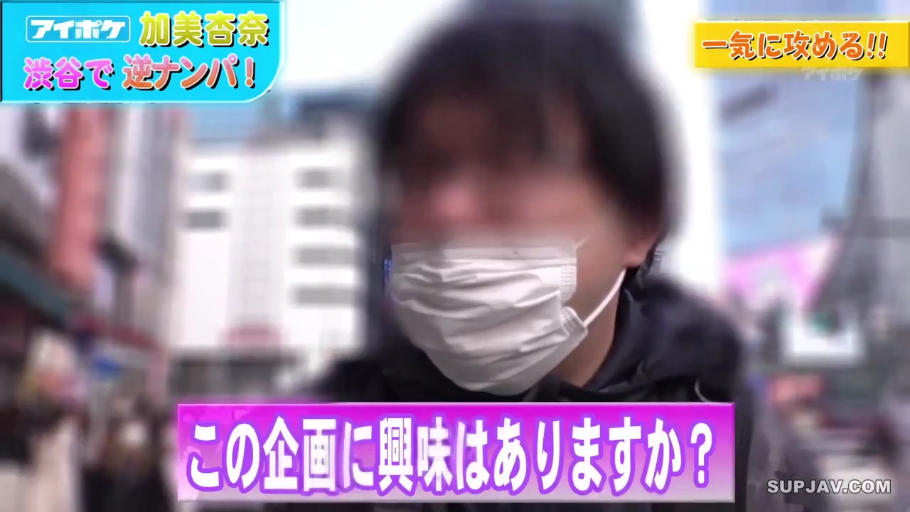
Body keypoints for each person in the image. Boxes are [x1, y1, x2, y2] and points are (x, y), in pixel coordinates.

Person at [272, 2, 827, 510]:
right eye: (422, 173)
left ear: (639, 223)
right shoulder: (318, 457)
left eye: (511, 164)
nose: (445, 208)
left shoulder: (749, 462)